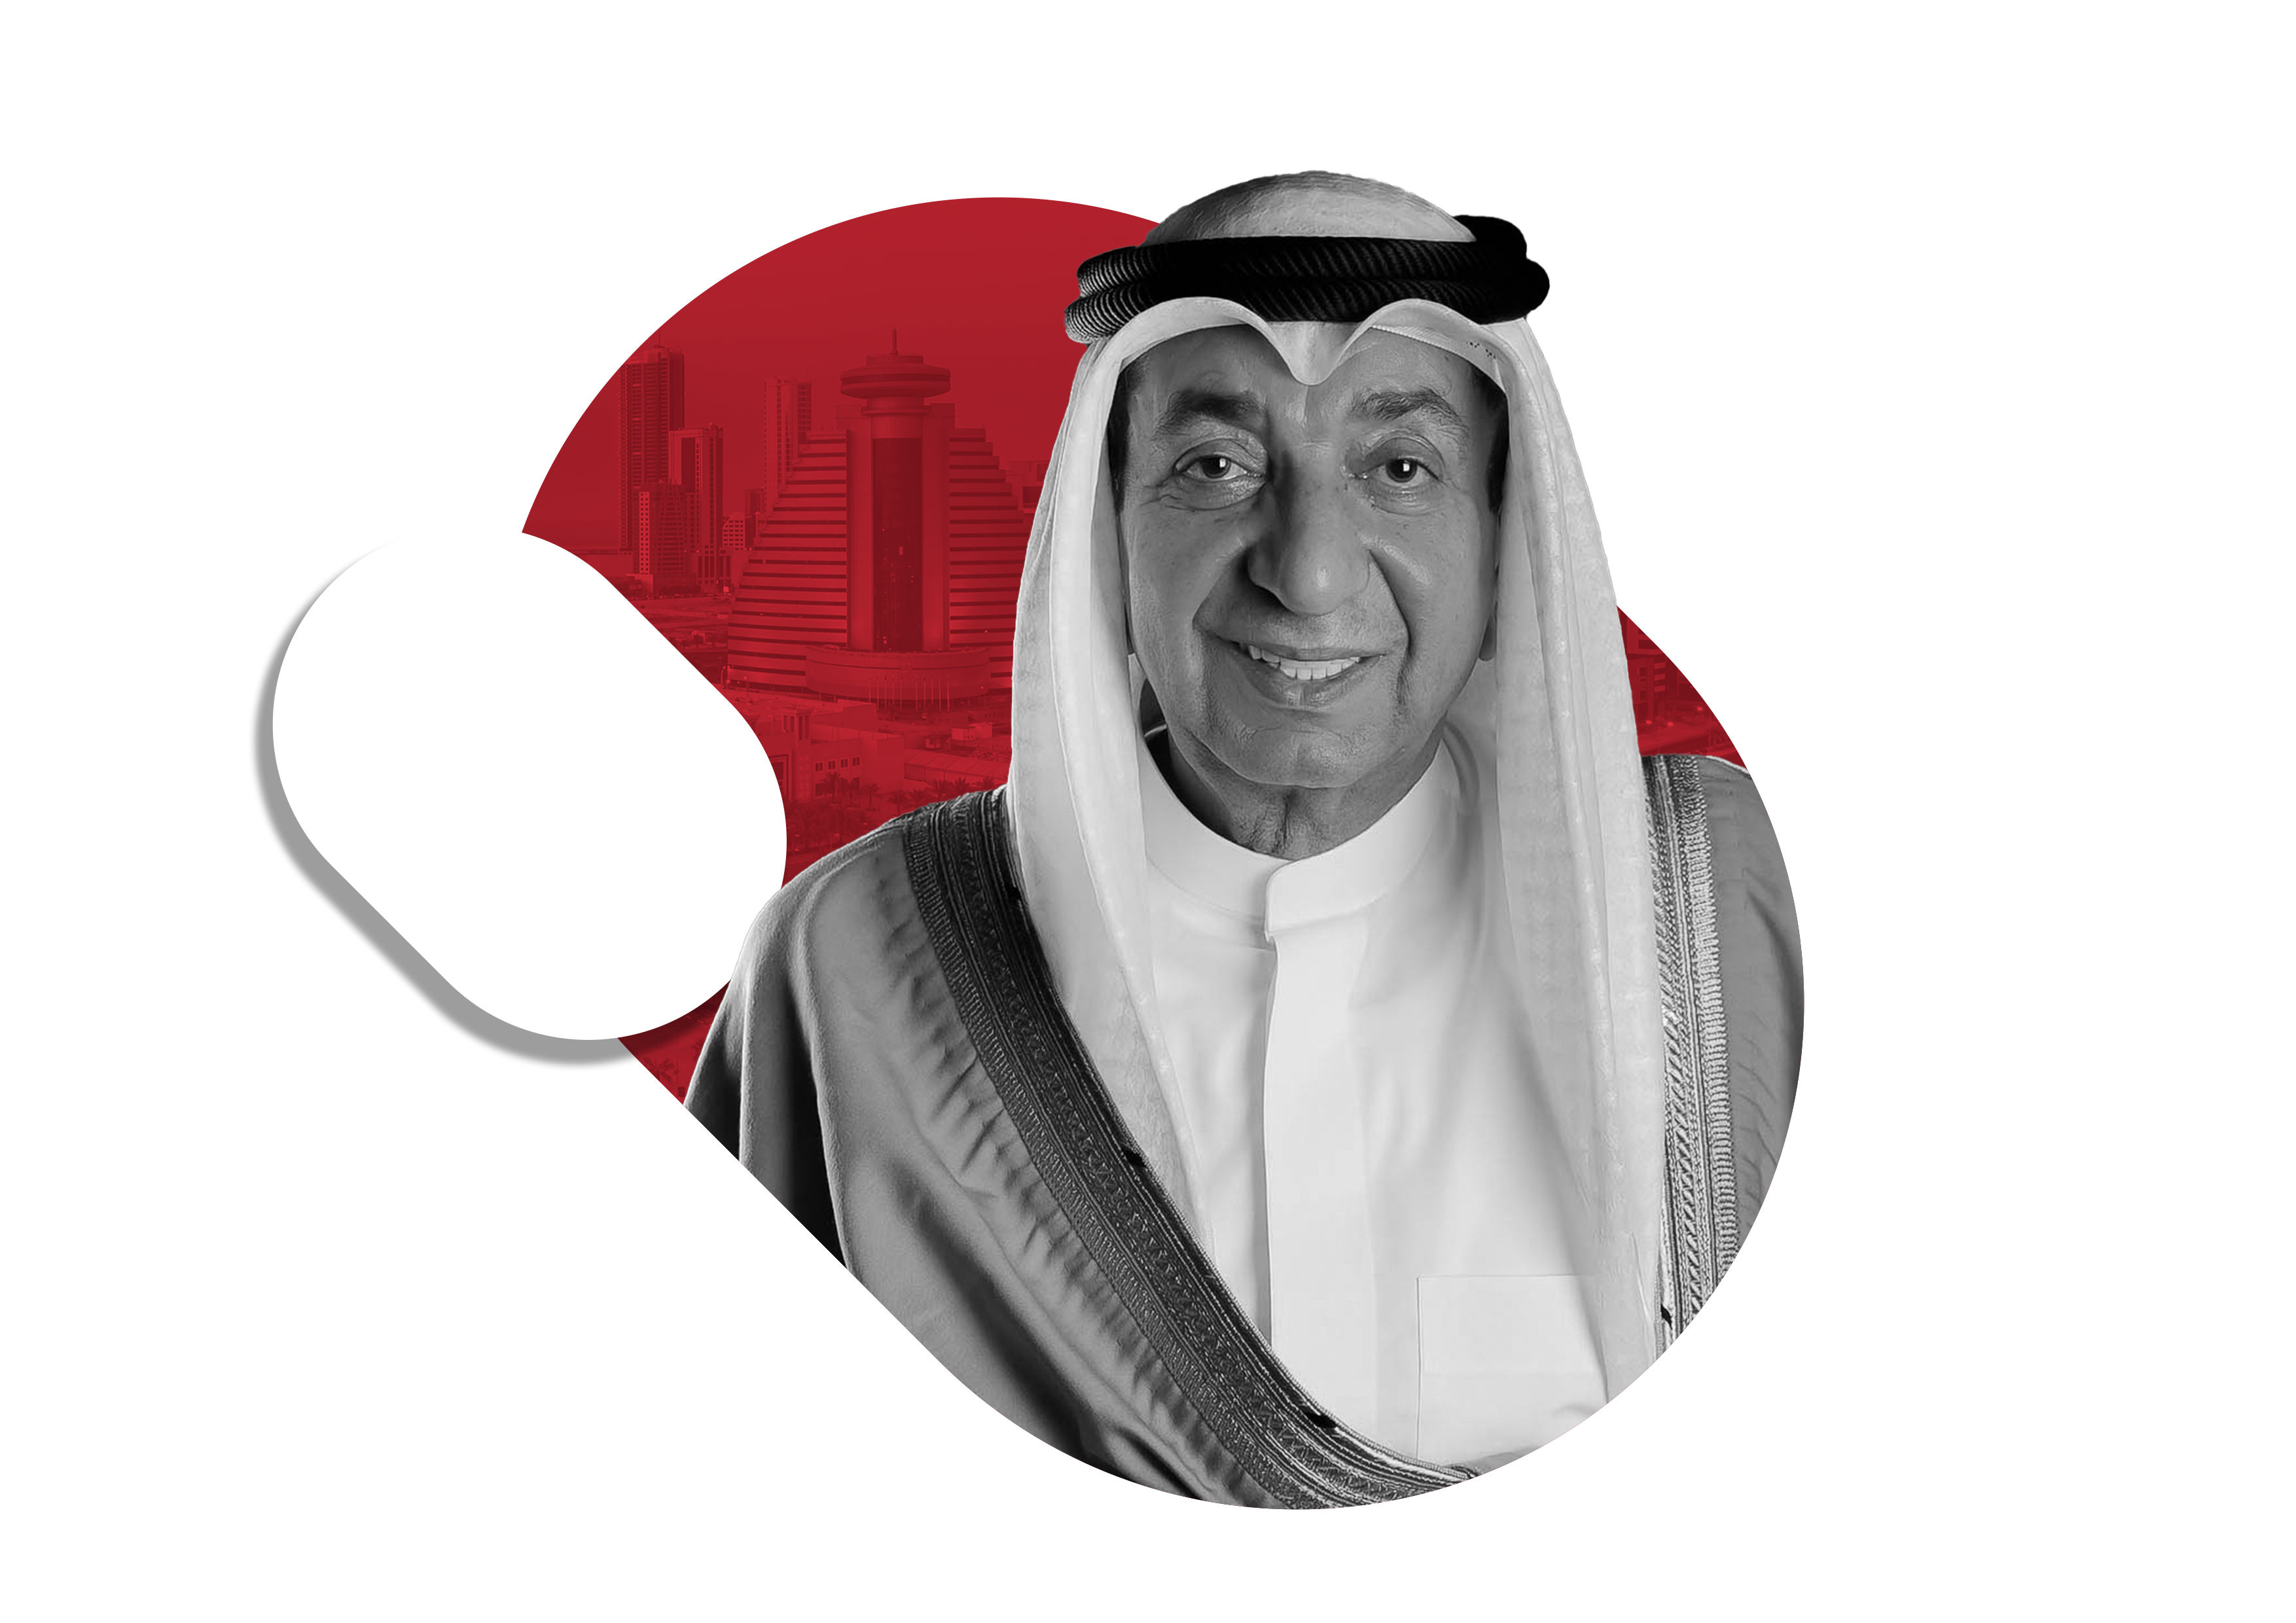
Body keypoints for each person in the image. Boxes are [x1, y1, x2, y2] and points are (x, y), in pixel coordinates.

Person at [682, 173, 1801, 1509]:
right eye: (1215, 469)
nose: (1308, 572)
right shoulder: (859, 969)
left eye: (1399, 470)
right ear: (1108, 532)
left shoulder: (1744, 917)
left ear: (1504, 534)